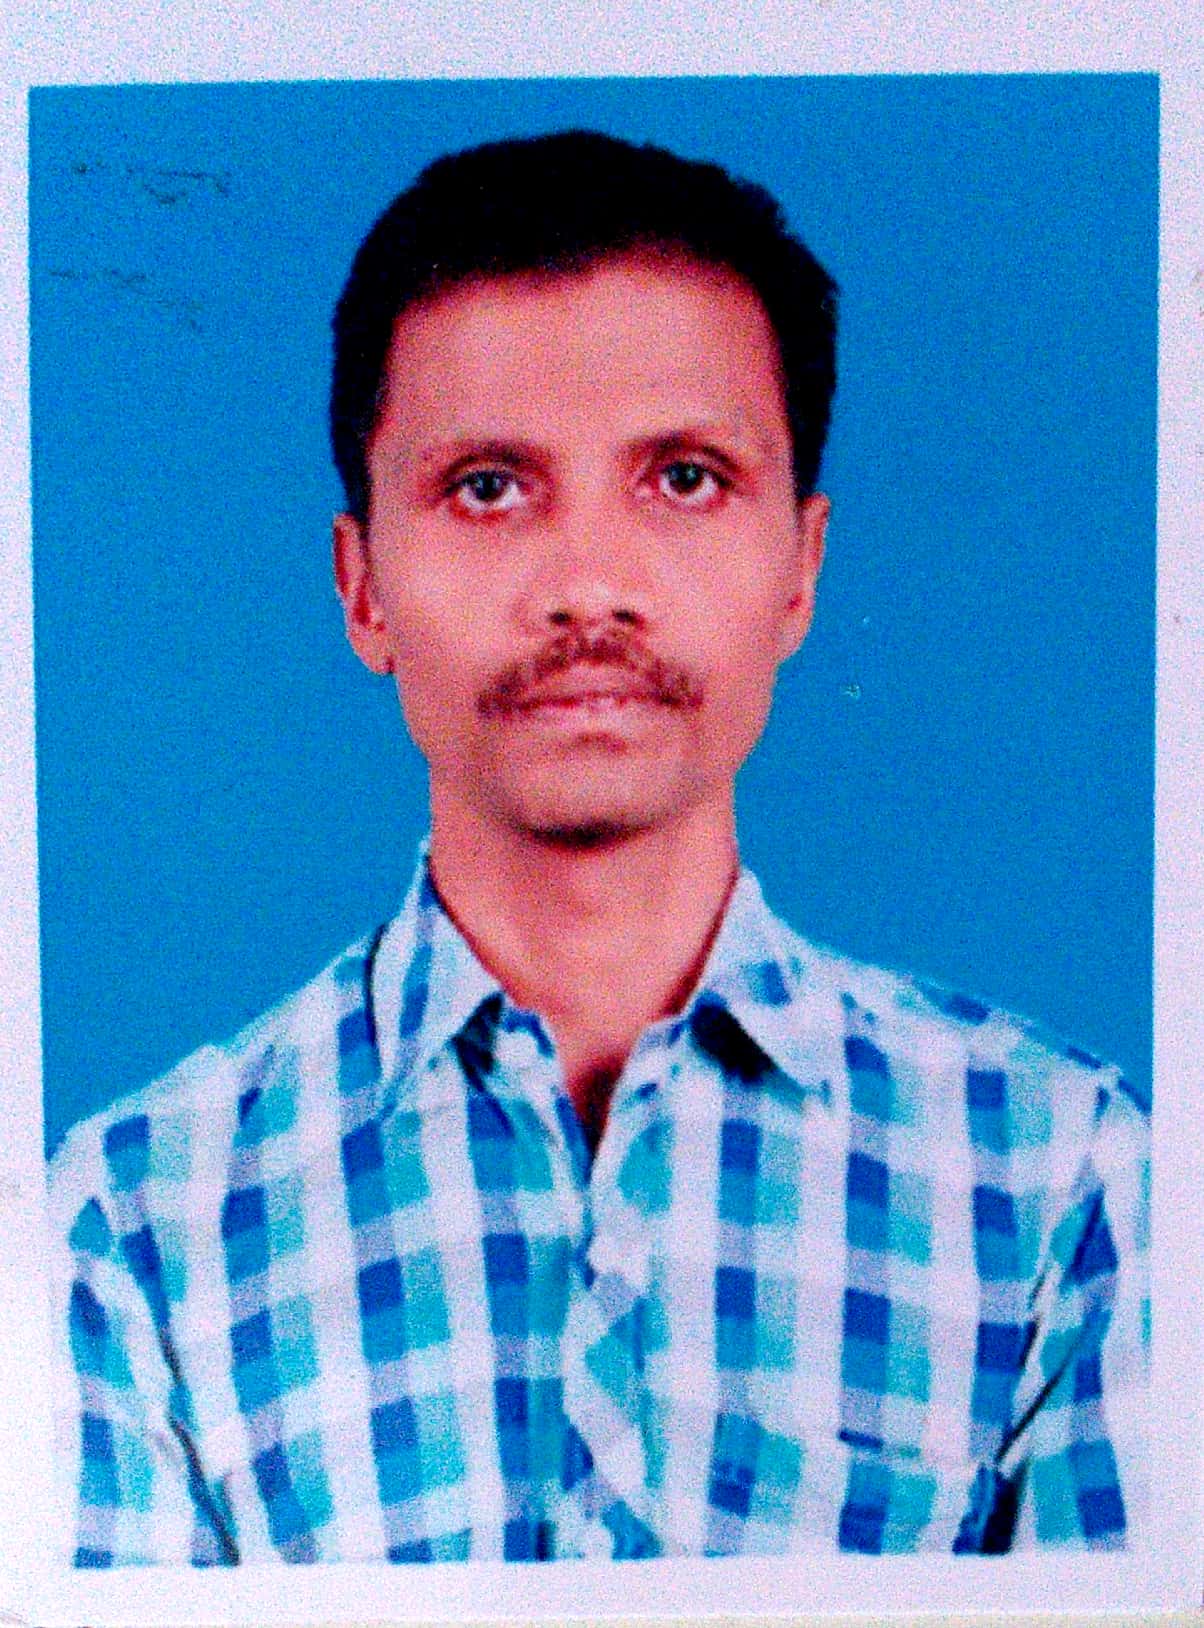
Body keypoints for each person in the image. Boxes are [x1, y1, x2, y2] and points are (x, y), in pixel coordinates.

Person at [47, 130, 1148, 1566]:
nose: (588, 588)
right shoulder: (131, 1230)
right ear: (362, 587)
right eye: (488, 487)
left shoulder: (1063, 1184)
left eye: (683, 478)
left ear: (801, 567)